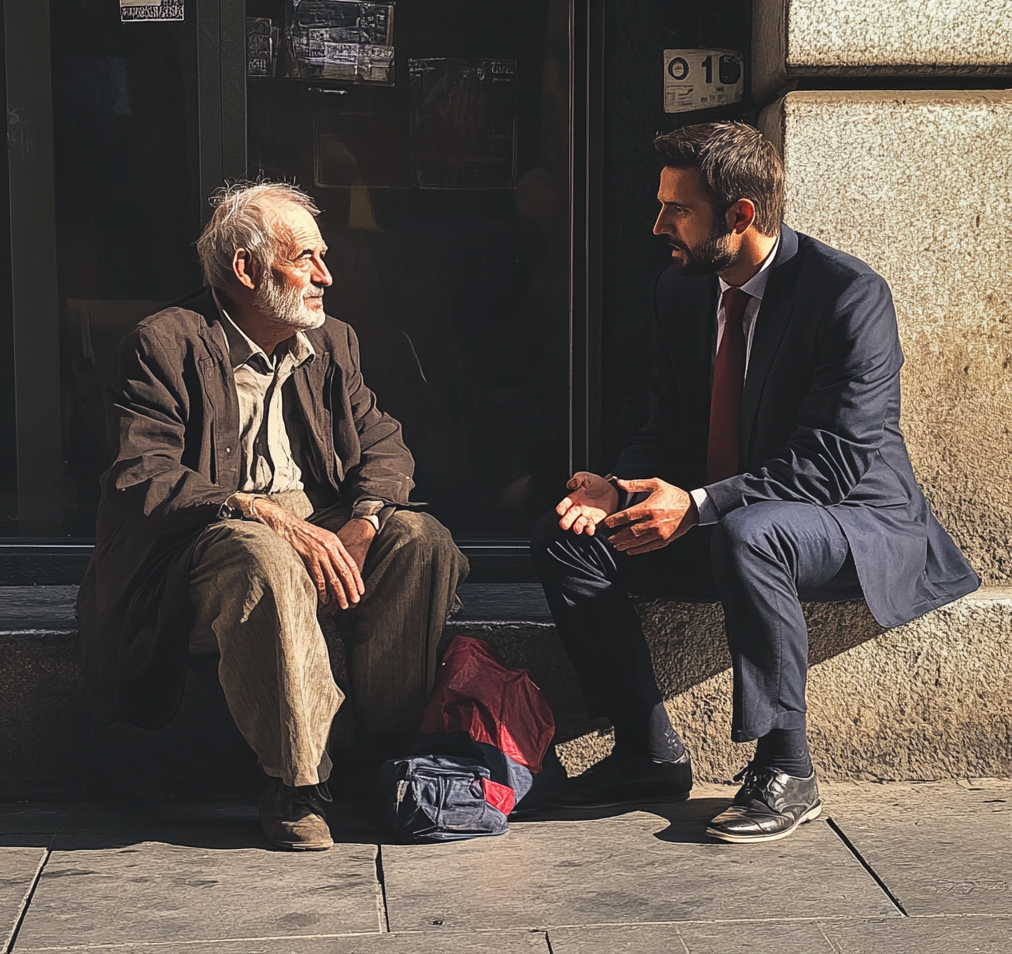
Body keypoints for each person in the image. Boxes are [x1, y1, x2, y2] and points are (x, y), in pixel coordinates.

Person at [531, 122, 978, 843]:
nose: (657, 226)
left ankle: (788, 768)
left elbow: (834, 458)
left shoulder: (848, 295)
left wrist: (699, 506)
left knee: (750, 529)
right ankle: (648, 750)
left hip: (852, 520)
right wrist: (618, 489)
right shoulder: (680, 294)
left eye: (676, 210)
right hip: (733, 523)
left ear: (739, 216)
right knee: (569, 536)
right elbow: (667, 427)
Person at [77, 182, 467, 851]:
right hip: (203, 540)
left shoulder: (333, 342)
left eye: (323, 258)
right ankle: (297, 784)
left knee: (419, 538)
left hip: (321, 522)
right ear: (246, 269)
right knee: (261, 555)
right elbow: (140, 474)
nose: (326, 275)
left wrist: (367, 518)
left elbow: (383, 442)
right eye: (307, 259)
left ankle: (385, 755)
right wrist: (262, 513)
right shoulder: (163, 344)